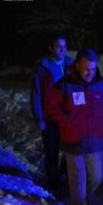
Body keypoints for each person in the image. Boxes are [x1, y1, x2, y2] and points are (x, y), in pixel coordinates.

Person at [46, 48, 103, 205]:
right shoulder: (64, 85)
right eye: (86, 69)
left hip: (95, 140)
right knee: (77, 179)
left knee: (96, 177)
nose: (90, 73)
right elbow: (51, 105)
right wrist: (66, 122)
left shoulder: (100, 85)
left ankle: (79, 201)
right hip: (73, 141)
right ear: (77, 65)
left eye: (93, 69)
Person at [31, 34, 74, 193]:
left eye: (64, 46)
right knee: (51, 149)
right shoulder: (42, 68)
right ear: (50, 48)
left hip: (67, 116)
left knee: (70, 148)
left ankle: (63, 175)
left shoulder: (71, 65)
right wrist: (39, 116)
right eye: (58, 46)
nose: (62, 50)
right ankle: (53, 182)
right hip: (49, 116)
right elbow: (36, 93)